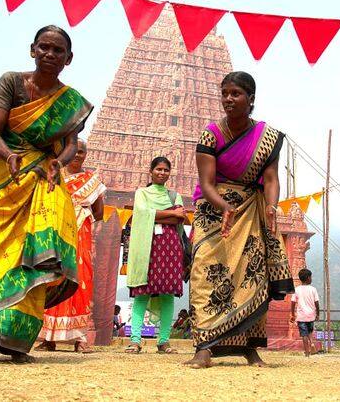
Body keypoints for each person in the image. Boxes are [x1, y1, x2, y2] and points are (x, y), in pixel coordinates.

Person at [0, 25, 93, 364]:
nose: (49, 54)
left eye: (58, 51)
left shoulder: (70, 101)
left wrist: (59, 162)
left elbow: (70, 144)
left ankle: (15, 345)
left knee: (30, 260)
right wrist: (10, 156)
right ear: (32, 49)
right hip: (0, 174)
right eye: (44, 47)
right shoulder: (11, 81)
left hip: (42, 178)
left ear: (68, 59)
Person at [186, 71, 294, 369]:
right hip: (214, 210)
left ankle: (249, 348)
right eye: (225, 93)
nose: (228, 99)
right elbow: (206, 183)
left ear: (251, 99)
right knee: (206, 273)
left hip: (251, 210)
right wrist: (224, 207)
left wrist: (271, 207)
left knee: (251, 275)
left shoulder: (267, 137)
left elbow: (271, 179)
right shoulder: (210, 134)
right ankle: (204, 347)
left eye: (236, 93)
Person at [35, 139, 105, 353]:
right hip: (56, 232)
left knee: (80, 278)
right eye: (74, 151)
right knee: (53, 277)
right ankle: (48, 337)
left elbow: (99, 212)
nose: (77, 155)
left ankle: (80, 338)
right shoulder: (56, 174)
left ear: (86, 154)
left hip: (80, 235)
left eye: (82, 152)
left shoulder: (91, 181)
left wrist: (80, 208)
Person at [125, 157, 186, 354]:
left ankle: (164, 340)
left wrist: (155, 214)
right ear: (150, 171)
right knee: (142, 292)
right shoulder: (141, 193)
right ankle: (135, 340)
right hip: (146, 247)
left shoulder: (174, 195)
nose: (162, 173)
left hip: (170, 247)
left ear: (170, 173)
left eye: (166, 170)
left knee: (168, 293)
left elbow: (180, 216)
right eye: (158, 169)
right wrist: (170, 214)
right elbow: (141, 214)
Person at [289, 268, 319, 357]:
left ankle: (307, 352)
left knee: (304, 334)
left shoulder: (297, 289)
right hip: (311, 315)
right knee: (309, 331)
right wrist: (317, 313)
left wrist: (293, 314)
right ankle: (312, 344)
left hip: (301, 316)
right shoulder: (313, 289)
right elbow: (316, 303)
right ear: (308, 278)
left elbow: (293, 302)